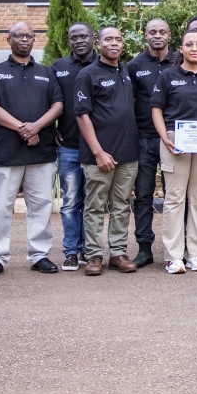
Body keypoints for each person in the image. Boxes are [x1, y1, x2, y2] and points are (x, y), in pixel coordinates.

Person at [0, 22, 64, 278]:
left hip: (41, 152)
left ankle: (39, 255)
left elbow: (58, 105)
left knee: (40, 205)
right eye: (18, 35)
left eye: (28, 35)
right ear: (9, 39)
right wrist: (23, 129)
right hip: (4, 152)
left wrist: (36, 127)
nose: (24, 39)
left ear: (34, 39)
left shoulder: (46, 73)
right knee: (1, 206)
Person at [151, 30, 197, 274]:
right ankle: (173, 256)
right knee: (174, 199)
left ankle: (196, 254)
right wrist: (165, 138)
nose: (194, 48)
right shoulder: (168, 76)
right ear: (180, 49)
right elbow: (156, 110)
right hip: (175, 142)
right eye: (189, 44)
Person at [74, 26, 139, 276]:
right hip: (98, 155)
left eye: (118, 39)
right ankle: (93, 255)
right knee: (95, 206)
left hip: (127, 152)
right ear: (97, 44)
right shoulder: (88, 74)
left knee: (122, 205)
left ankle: (118, 253)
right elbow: (82, 115)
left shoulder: (126, 71)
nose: (114, 43)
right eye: (108, 39)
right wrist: (99, 152)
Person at [126, 18, 174, 267]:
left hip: (174, 138)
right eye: (152, 32)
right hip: (144, 137)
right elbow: (129, 102)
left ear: (169, 35)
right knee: (143, 195)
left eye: (162, 32)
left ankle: (176, 246)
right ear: (145, 35)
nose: (157, 36)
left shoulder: (179, 61)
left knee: (174, 195)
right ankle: (144, 247)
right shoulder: (135, 65)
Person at [50, 21, 96, 271]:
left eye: (83, 36)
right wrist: (51, 127)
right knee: (70, 202)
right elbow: (49, 101)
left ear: (93, 38)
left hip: (96, 147)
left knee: (92, 203)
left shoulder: (104, 65)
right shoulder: (58, 67)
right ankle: (71, 250)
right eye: (73, 37)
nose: (79, 41)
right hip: (68, 144)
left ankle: (90, 251)